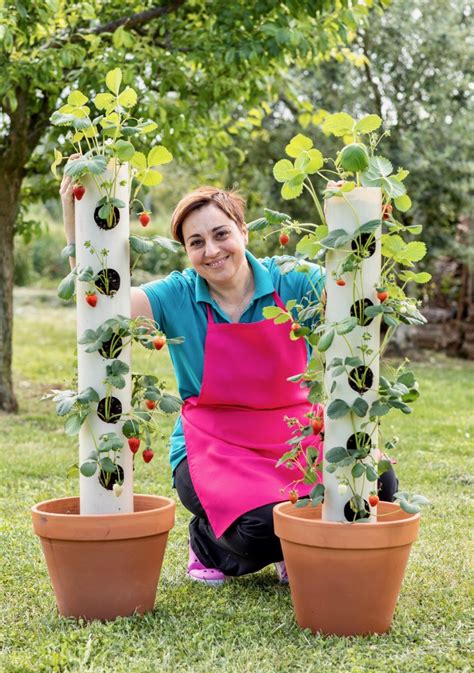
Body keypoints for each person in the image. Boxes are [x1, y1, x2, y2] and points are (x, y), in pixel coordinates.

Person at [61, 179, 399, 586]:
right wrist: (74, 215)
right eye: (196, 242)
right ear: (187, 252)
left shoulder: (294, 279)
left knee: (376, 480)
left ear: (244, 232)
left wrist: (355, 218)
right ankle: (207, 542)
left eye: (221, 234)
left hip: (294, 434)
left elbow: (358, 302)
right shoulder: (177, 294)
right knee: (260, 527)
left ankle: (297, 543)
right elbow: (103, 303)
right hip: (214, 444)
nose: (212, 250)